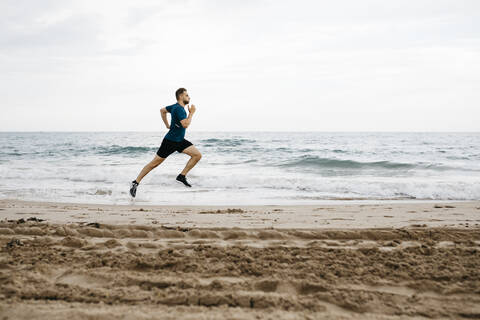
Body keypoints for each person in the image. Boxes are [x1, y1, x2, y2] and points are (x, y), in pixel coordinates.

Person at [129, 88, 202, 198]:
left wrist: (167, 125)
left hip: (180, 140)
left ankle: (182, 176)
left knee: (197, 155)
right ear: (181, 96)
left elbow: (162, 110)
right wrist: (191, 113)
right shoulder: (179, 109)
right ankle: (135, 182)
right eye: (187, 95)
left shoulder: (174, 107)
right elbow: (185, 124)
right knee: (155, 163)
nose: (189, 97)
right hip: (170, 142)